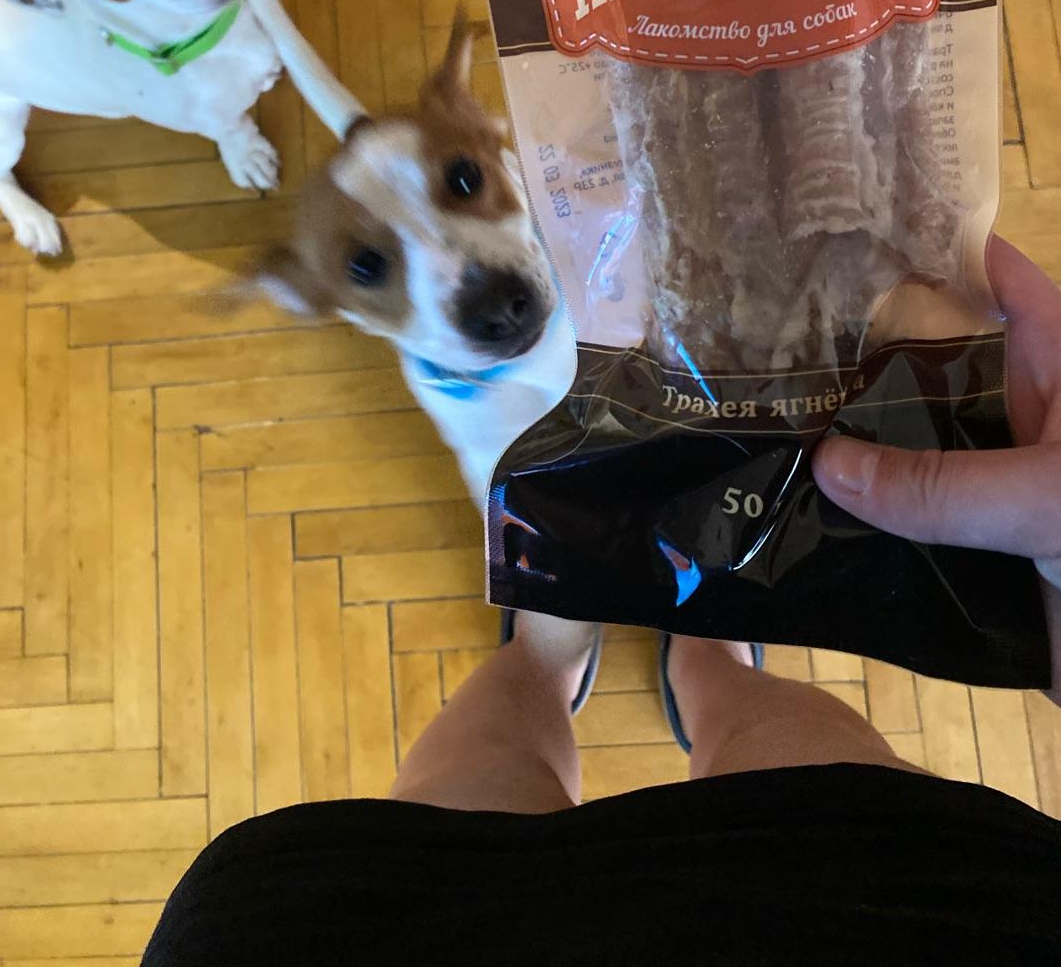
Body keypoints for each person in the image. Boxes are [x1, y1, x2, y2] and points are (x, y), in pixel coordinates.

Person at [141, 237, 1060, 965]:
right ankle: (705, 652)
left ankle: (551, 653)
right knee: (795, 766)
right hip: (899, 913)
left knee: (475, 782)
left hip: (372, 935)